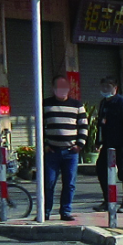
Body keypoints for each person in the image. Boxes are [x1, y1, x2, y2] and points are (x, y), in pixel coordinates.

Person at [42, 76, 88, 220]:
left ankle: (66, 211)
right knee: (49, 183)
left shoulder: (77, 105)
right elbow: (40, 126)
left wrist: (79, 145)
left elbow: (83, 126)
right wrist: (45, 145)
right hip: (52, 151)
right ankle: (46, 211)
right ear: (53, 88)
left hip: (70, 152)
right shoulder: (45, 104)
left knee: (69, 184)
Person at [92, 76, 123, 213]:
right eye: (103, 87)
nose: (105, 89)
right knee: (101, 169)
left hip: (121, 143)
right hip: (107, 143)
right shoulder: (103, 103)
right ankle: (108, 200)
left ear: (115, 88)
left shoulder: (122, 102)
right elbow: (100, 124)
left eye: (108, 87)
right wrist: (98, 141)